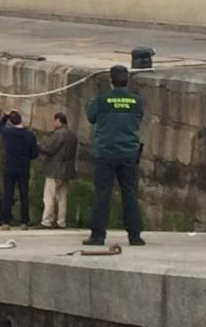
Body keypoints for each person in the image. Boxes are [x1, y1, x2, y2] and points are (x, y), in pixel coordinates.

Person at [83, 65, 145, 246]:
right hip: (129, 153)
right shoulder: (137, 101)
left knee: (103, 193)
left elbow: (91, 117)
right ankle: (135, 235)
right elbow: (138, 119)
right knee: (130, 193)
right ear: (127, 81)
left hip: (106, 152)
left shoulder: (101, 100)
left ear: (111, 81)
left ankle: (98, 235)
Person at [0, 110, 38, 230]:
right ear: (21, 120)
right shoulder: (30, 135)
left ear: (11, 122)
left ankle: (6, 222)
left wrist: (5, 116)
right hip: (23, 167)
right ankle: (24, 222)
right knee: (24, 195)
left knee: (8, 194)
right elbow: (34, 154)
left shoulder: (8, 132)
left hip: (10, 166)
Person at [38, 112, 78, 229]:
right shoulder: (73, 136)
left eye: (54, 121)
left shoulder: (58, 134)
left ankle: (47, 221)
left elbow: (50, 149)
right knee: (62, 197)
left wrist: (39, 146)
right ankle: (61, 222)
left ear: (58, 121)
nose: (53, 123)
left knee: (49, 196)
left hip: (55, 169)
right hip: (67, 170)